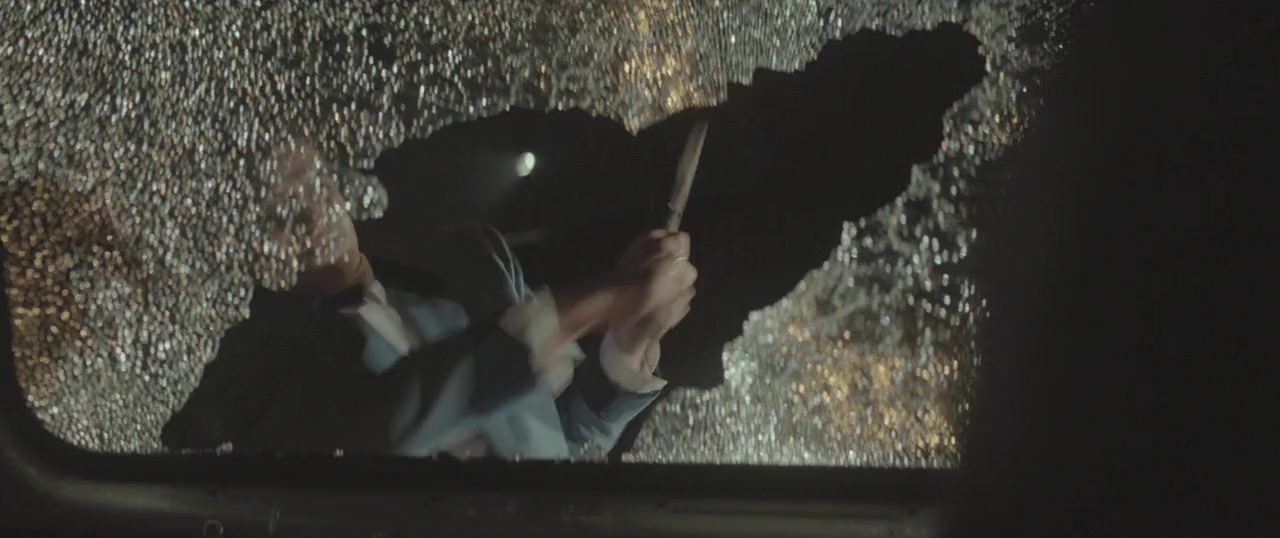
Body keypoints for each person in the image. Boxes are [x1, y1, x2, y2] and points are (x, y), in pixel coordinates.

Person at [162, 142, 697, 460]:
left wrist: (628, 345)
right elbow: (386, 432)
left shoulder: (472, 271)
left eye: (314, 181)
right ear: (234, 244)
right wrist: (588, 306)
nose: (312, 209)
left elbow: (559, 450)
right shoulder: (245, 371)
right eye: (278, 206)